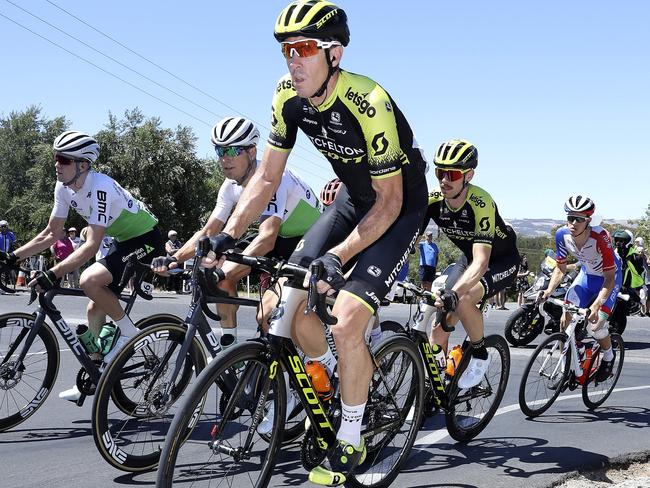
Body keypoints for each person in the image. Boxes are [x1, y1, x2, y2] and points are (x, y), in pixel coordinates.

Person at [204, 3, 428, 484]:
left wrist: (338, 255)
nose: (293, 61)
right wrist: (226, 235)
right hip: (351, 198)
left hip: (400, 205)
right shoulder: (286, 95)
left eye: (303, 49)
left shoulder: (369, 100)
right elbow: (266, 177)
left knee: (347, 323)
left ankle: (351, 434)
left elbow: (388, 204)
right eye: (287, 51)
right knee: (279, 303)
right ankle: (332, 370)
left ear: (334, 52)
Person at [0, 130, 164, 401]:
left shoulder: (100, 186)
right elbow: (51, 233)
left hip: (146, 239)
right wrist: (12, 257)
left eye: (64, 159)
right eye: (56, 158)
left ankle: (129, 333)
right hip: (123, 241)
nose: (57, 164)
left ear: (83, 165)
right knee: (93, 310)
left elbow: (91, 245)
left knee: (89, 281)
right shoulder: (63, 187)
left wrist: (54, 273)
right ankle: (96, 374)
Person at [153, 116, 322, 352]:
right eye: (220, 150)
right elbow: (209, 230)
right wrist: (174, 258)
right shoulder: (229, 186)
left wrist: (222, 268)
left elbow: (267, 236)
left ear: (252, 152)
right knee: (222, 280)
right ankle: (229, 351)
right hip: (279, 239)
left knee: (267, 315)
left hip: (307, 239)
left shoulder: (273, 177)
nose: (224, 158)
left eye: (233, 150)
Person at [424, 139, 519, 388]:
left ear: (468, 175)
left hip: (500, 261)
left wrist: (453, 293)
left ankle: (479, 354)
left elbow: (481, 262)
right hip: (468, 259)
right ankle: (435, 385)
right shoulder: (433, 200)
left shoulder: (481, 202)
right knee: (437, 329)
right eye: (439, 172)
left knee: (463, 299)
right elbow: (406, 240)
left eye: (452, 174)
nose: (444, 179)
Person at [542, 195, 621, 383]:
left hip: (609, 278)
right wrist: (548, 291)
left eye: (579, 219)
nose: (573, 223)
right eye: (570, 218)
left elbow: (610, 278)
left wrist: (597, 305)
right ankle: (567, 365)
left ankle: (608, 356)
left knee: (595, 325)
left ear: (588, 221)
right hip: (586, 276)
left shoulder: (600, 237)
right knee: (565, 319)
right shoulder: (562, 235)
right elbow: (560, 268)